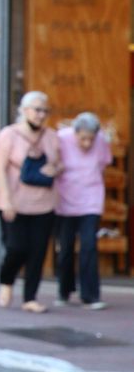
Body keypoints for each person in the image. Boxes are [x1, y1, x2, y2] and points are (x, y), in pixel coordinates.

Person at [0, 91, 61, 313]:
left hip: (44, 203)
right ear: (24, 110)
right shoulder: (9, 135)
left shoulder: (52, 137)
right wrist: (6, 200)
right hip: (14, 201)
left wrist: (55, 169)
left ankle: (30, 298)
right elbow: (0, 169)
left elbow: (60, 163)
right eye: (37, 110)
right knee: (16, 248)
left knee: (38, 252)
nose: (41, 115)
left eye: (45, 111)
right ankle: (6, 282)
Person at [54, 112, 111, 310]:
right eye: (83, 138)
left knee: (89, 246)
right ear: (75, 133)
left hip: (91, 199)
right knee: (66, 248)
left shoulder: (101, 140)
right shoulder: (61, 138)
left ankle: (90, 295)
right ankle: (64, 290)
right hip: (65, 199)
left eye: (91, 139)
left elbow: (103, 164)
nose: (87, 143)